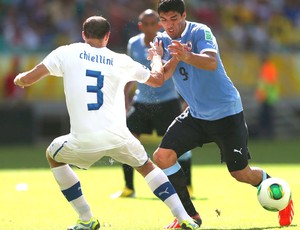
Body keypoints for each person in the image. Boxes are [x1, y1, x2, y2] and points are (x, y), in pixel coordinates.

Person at [14, 16, 199, 230]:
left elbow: (27, 79)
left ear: (84, 35)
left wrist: (19, 78)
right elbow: (158, 80)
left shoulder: (65, 52)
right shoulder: (120, 60)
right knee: (147, 166)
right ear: (108, 36)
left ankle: (86, 219)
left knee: (52, 156)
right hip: (118, 136)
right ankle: (184, 217)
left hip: (83, 140)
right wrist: (157, 57)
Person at [147, 0, 294, 229]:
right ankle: (189, 216)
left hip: (226, 114)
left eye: (174, 19)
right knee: (163, 156)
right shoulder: (162, 40)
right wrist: (158, 56)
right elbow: (160, 78)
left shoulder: (200, 31)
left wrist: (186, 56)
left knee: (240, 173)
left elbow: (211, 62)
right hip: (196, 115)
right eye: (164, 20)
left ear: (184, 15)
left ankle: (282, 199)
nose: (169, 25)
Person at [110, 9, 194, 200]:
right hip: (142, 101)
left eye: (153, 23)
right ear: (140, 26)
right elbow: (131, 73)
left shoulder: (167, 42)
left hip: (167, 101)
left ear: (159, 25)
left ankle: (188, 186)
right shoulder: (133, 44)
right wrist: (124, 97)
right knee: (126, 140)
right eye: (145, 24)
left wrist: (187, 99)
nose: (150, 27)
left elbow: (181, 69)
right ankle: (129, 188)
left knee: (180, 144)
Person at [255, 53, 280, 138]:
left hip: (267, 97)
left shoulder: (267, 68)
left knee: (266, 117)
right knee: (267, 117)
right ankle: (268, 133)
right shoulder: (269, 67)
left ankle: (267, 134)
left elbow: (266, 83)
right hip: (268, 96)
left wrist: (261, 95)